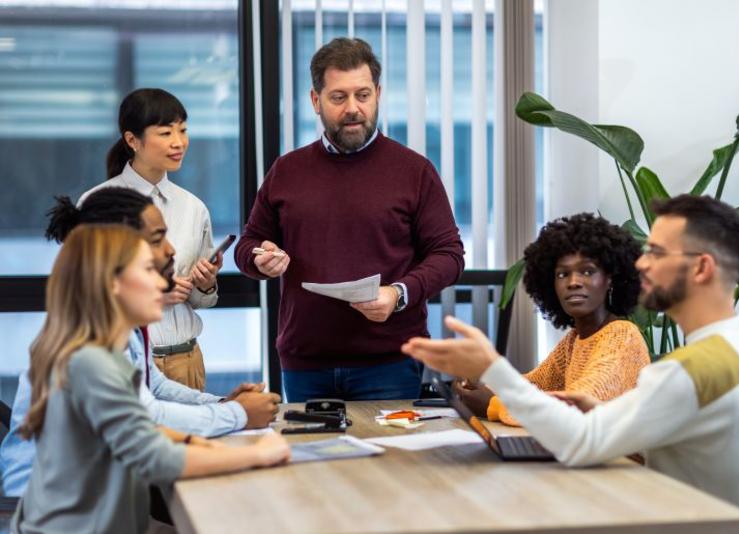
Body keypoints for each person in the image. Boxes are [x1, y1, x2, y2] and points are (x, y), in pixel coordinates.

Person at [402, 195, 739, 514]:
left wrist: (492, 367)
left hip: (669, 519)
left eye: (658, 253)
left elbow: (580, 443)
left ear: (701, 269)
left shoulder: (694, 368)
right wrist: (604, 411)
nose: (642, 263)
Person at [0, 188, 280, 497]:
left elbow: (150, 394)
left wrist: (224, 406)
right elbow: (149, 427)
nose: (170, 253)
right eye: (151, 261)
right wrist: (240, 421)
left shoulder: (110, 330)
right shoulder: (86, 354)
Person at [235, 38, 464, 402]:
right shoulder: (287, 170)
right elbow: (248, 244)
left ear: (378, 93)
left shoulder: (414, 171)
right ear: (316, 100)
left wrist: (398, 294)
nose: (353, 108)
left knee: (389, 460)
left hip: (389, 362)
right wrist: (259, 259)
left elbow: (449, 255)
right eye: (339, 97)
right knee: (313, 460)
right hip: (304, 363)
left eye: (363, 95)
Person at [80, 88, 217, 391]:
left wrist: (205, 284)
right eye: (166, 132)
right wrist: (152, 296)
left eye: (183, 130)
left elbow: (200, 301)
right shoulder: (100, 203)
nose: (179, 142)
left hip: (187, 361)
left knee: (196, 437)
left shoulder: (193, 208)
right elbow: (83, 293)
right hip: (125, 362)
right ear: (132, 140)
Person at [455, 213, 650, 426]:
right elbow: (533, 385)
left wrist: (493, 404)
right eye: (562, 274)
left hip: (620, 460)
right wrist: (480, 388)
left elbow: (571, 411)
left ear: (610, 279)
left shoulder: (622, 337)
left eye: (587, 271)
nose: (573, 282)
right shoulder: (575, 339)